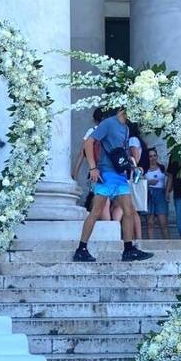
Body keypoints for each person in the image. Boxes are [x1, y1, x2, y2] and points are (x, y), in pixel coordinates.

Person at [73, 108, 153, 262]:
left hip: (119, 175)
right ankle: (81, 249)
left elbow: (121, 151)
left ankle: (128, 249)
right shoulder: (108, 123)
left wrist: (133, 165)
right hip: (106, 174)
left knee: (129, 211)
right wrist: (93, 168)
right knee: (96, 212)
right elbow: (89, 142)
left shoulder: (127, 128)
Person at [72, 108, 109, 220]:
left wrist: (75, 173)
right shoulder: (111, 130)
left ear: (94, 119)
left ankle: (108, 231)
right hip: (113, 171)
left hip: (97, 171)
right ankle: (112, 229)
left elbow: (82, 153)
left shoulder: (92, 131)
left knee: (103, 202)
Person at [144, 148, 169, 239]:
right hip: (149, 194)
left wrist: (167, 191)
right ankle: (151, 245)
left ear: (157, 156)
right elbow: (138, 183)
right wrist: (148, 183)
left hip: (161, 194)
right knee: (150, 223)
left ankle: (168, 244)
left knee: (163, 223)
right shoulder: (144, 170)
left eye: (154, 155)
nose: (153, 158)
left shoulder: (162, 168)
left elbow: (171, 177)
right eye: (150, 156)